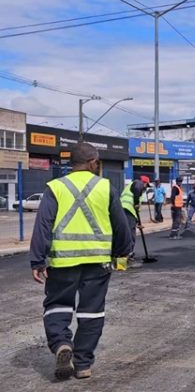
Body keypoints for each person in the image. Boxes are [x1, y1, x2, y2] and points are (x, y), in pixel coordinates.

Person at [29, 143, 131, 380]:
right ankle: (83, 363)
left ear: (70, 163)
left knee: (57, 306)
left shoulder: (55, 187)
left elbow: (42, 225)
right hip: (98, 262)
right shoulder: (105, 187)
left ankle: (62, 343)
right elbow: (120, 224)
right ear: (94, 163)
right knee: (92, 312)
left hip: (63, 263)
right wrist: (122, 252)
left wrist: (37, 260)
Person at [120, 175, 150, 262]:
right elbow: (137, 189)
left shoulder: (131, 187)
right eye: (146, 185)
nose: (146, 188)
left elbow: (136, 210)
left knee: (125, 232)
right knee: (130, 233)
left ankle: (123, 256)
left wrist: (137, 221)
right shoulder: (138, 183)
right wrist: (136, 202)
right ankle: (127, 254)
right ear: (144, 182)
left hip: (125, 211)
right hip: (128, 210)